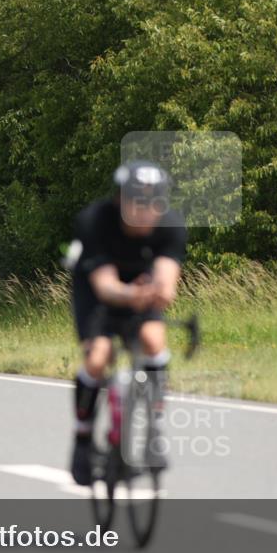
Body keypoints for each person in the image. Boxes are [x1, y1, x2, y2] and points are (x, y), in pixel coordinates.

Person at [65, 160, 187, 486]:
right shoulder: (95, 221)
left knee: (153, 339)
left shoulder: (171, 225)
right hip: (97, 290)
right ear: (120, 200)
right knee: (98, 356)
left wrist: (160, 292)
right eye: (138, 202)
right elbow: (105, 286)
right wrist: (131, 295)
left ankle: (153, 429)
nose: (147, 210)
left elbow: (167, 279)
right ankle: (83, 439)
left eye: (155, 203)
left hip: (138, 288)